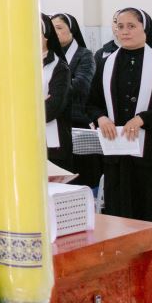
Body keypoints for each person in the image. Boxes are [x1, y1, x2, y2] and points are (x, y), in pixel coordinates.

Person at [86, 7, 152, 300]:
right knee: (121, 221)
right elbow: (91, 103)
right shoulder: (106, 62)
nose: (124, 31)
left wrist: (143, 118)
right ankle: (122, 285)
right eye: (119, 26)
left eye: (131, 26)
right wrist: (101, 117)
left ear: (145, 29)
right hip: (118, 158)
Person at [53, 13, 100, 192]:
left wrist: (52, 87)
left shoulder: (84, 55)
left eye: (59, 28)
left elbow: (81, 85)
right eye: (51, 29)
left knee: (80, 181)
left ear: (71, 30)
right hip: (53, 123)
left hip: (76, 123)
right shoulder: (47, 56)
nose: (54, 33)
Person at [41, 14, 72, 170]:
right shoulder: (14, 65)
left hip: (52, 145)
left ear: (46, 36)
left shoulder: (59, 67)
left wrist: (21, 109)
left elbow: (53, 107)